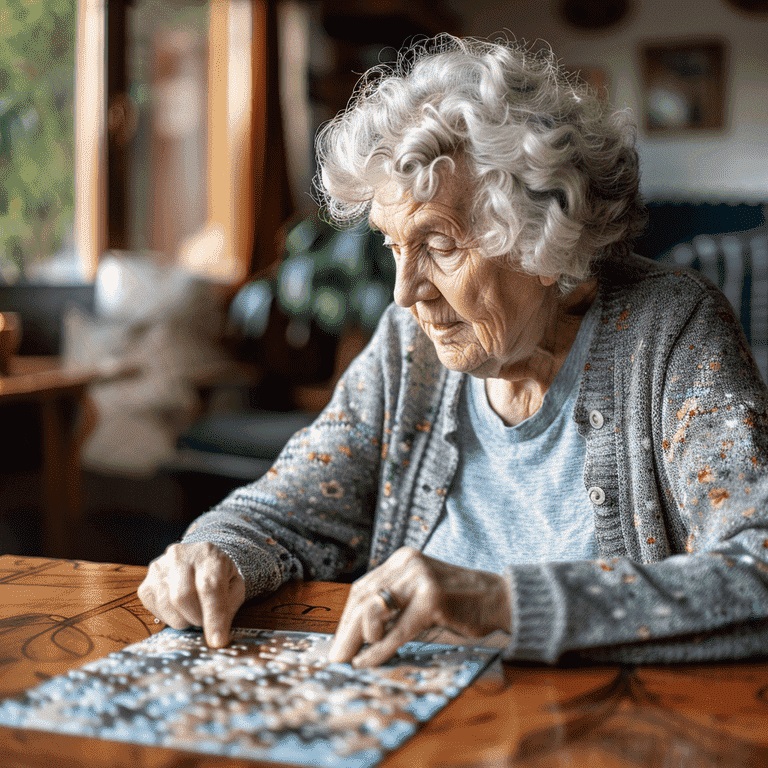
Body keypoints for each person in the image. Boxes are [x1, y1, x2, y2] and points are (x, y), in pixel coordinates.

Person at [138, 35, 768, 667]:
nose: (405, 292)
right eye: (392, 245)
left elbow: (758, 566)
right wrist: (212, 553)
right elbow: (290, 504)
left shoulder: (669, 330)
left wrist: (501, 603)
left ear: (540, 238)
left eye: (438, 245)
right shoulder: (407, 348)